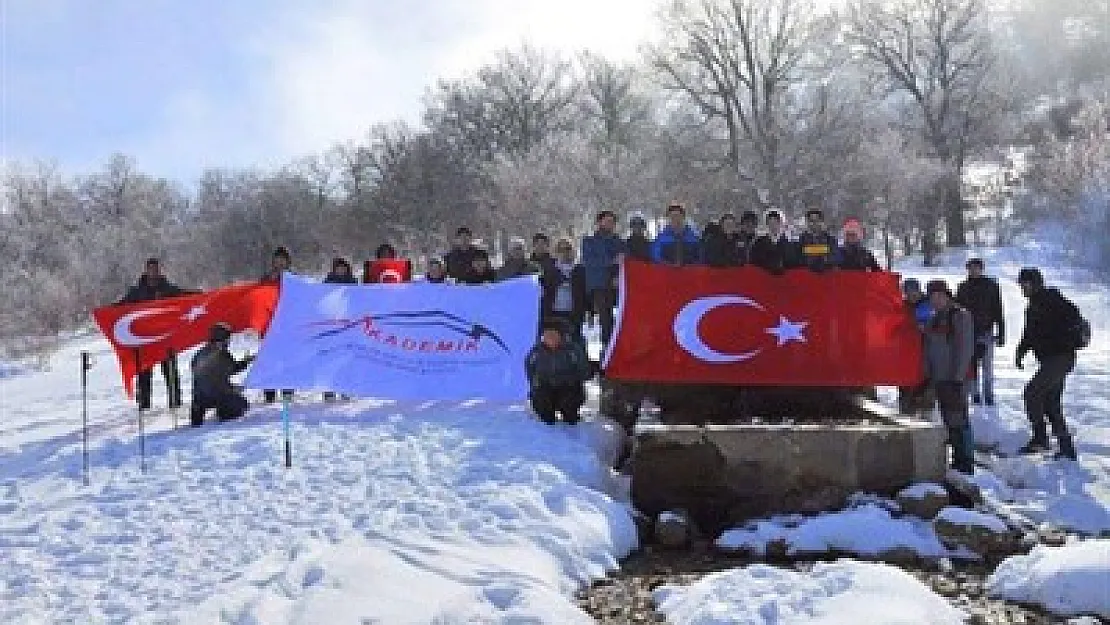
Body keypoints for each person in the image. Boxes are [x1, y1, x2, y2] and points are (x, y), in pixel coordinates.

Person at [1015, 267, 1083, 460]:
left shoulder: (1052, 301)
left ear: (1036, 283)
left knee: (1032, 393)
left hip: (1060, 358)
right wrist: (1021, 350)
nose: (1023, 288)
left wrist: (1060, 340)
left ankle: (1040, 438)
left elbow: (1072, 320)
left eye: (1025, 284)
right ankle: (1065, 447)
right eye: (1021, 285)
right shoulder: (1034, 305)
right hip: (1050, 359)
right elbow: (1030, 333)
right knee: (1051, 402)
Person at [118, 257, 196, 412]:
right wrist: (105, 312)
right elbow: (121, 306)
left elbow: (185, 295)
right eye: (151, 269)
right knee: (144, 374)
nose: (154, 272)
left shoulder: (168, 289)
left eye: (156, 269)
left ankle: (175, 403)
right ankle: (145, 405)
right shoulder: (136, 292)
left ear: (160, 270)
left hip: (165, 338)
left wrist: (201, 295)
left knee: (171, 372)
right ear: (146, 271)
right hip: (145, 339)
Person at [922, 279, 976, 474]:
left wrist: (958, 377)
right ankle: (957, 458)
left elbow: (965, 348)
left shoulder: (960, 316)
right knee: (948, 418)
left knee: (959, 418)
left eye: (939, 296)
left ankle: (966, 460)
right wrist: (927, 374)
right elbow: (928, 349)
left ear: (947, 295)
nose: (935, 300)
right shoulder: (932, 319)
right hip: (940, 377)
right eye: (932, 297)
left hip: (956, 378)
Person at [956, 258, 1005, 406]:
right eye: (971, 268)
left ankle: (989, 395)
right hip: (968, 332)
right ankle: (975, 394)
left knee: (987, 366)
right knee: (971, 365)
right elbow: (957, 310)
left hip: (986, 331)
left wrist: (1002, 332)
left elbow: (998, 309)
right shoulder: (963, 287)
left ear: (981, 269)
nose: (974, 270)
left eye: (977, 267)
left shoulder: (991, 286)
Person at [525, 318, 593, 425]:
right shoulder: (537, 352)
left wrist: (571, 380)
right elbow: (530, 369)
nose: (549, 338)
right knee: (544, 411)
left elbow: (585, 371)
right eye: (546, 335)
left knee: (569, 411)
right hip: (547, 388)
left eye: (552, 335)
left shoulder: (573, 351)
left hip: (568, 388)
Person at [190, 323, 254, 426]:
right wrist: (246, 361)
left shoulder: (199, 353)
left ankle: (198, 414)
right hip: (217, 395)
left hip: (199, 399)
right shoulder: (221, 353)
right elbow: (232, 369)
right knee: (242, 404)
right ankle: (224, 412)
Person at [581, 210, 625, 354]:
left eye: (612, 222)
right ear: (599, 222)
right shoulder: (590, 241)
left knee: (621, 317)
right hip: (599, 285)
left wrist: (619, 275)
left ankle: (619, 346)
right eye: (606, 221)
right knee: (605, 319)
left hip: (618, 285)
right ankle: (607, 347)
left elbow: (625, 260)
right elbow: (591, 261)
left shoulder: (619, 241)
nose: (609, 224)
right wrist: (611, 261)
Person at [260, 247, 293, 403]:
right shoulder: (266, 278)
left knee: (287, 359)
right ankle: (269, 393)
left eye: (283, 259)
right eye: (277, 259)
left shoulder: (293, 278)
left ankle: (287, 390)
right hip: (269, 323)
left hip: (287, 324)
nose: (280, 262)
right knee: (269, 360)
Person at [898, 278, 933, 415]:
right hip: (906, 354)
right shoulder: (902, 305)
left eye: (914, 291)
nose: (911, 295)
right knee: (906, 387)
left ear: (919, 291)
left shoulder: (929, 305)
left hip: (926, 353)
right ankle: (906, 411)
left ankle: (926, 413)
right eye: (908, 292)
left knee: (925, 384)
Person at [541, 239, 588, 342]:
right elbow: (545, 292)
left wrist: (589, 312)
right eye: (561, 250)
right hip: (555, 313)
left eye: (567, 249)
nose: (564, 253)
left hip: (574, 313)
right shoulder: (550, 270)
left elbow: (585, 293)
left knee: (574, 342)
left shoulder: (580, 269)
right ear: (557, 252)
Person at [749, 209, 797, 274]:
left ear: (781, 223)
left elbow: (793, 263)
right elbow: (753, 263)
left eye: (776, 221)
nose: (773, 225)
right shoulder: (758, 243)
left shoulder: (790, 243)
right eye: (770, 222)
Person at [797, 208, 839, 272]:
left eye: (817, 220)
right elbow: (798, 257)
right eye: (811, 221)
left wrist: (825, 261)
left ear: (821, 221)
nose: (814, 223)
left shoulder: (830, 239)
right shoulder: (802, 239)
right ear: (807, 222)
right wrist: (810, 262)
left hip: (825, 276)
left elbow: (835, 256)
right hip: (807, 276)